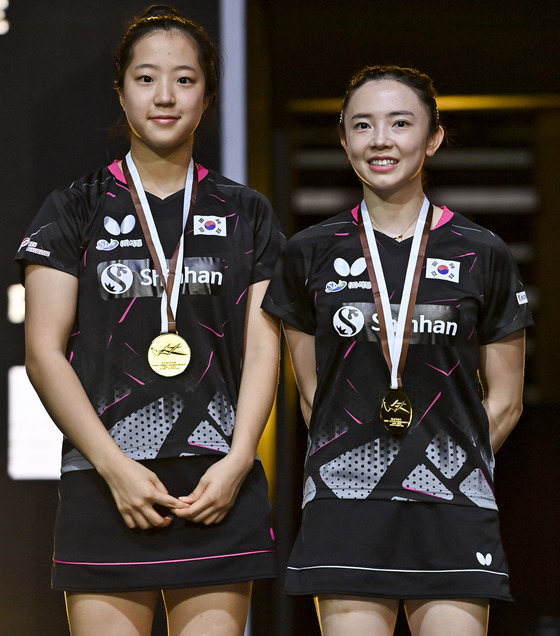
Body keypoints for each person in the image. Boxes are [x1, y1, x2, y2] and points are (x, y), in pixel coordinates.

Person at [16, 5, 283, 635]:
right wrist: (114, 468)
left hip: (217, 481)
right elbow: (43, 353)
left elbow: (264, 349)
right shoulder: (74, 208)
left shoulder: (247, 212)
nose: (165, 96)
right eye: (146, 78)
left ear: (208, 94)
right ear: (121, 89)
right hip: (104, 479)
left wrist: (240, 459)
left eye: (185, 79)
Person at [262, 65, 533, 636]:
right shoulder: (308, 253)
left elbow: (506, 401)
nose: (380, 140)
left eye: (400, 123)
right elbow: (314, 396)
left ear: (432, 137)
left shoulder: (483, 253)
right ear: (344, 140)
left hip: (453, 504)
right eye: (363, 125)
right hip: (345, 500)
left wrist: (449, 472)